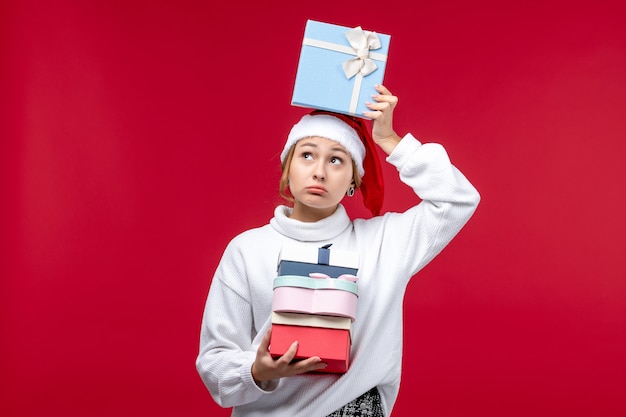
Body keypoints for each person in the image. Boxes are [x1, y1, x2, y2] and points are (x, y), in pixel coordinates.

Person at [196, 85, 480, 416]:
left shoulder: (385, 242)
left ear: (352, 182)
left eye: (335, 159)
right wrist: (257, 370)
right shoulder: (246, 250)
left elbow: (458, 199)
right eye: (307, 155)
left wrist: (391, 141)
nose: (319, 171)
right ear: (287, 169)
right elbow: (214, 365)